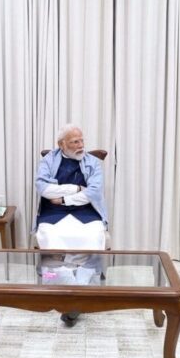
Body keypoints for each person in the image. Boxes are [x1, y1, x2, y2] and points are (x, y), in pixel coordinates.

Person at [34, 124, 109, 326]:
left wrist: (65, 198)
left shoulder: (92, 162)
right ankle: (71, 290)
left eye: (82, 140)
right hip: (53, 211)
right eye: (75, 142)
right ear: (61, 144)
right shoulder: (48, 161)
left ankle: (76, 294)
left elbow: (93, 192)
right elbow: (43, 188)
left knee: (94, 235)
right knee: (49, 236)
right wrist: (75, 188)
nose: (80, 145)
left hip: (85, 209)